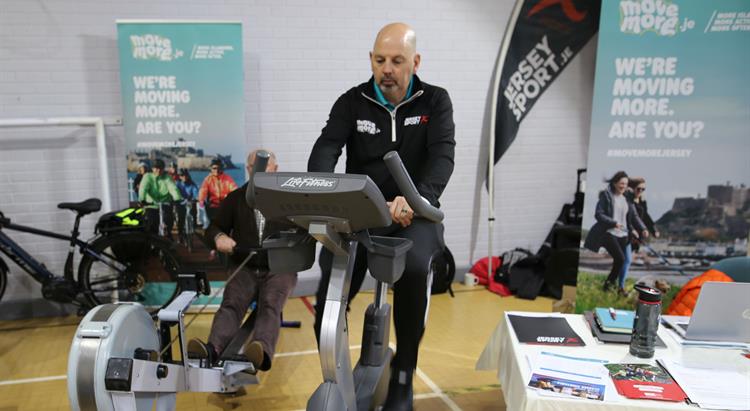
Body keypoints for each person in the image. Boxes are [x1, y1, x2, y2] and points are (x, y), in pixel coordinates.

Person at [307, 22, 455, 410]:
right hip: (362, 213)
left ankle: (404, 377)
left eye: (397, 60)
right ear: (371, 61)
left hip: (416, 212)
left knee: (417, 269)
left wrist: (419, 197)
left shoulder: (434, 101)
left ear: (415, 61)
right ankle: (334, 374)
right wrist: (321, 191)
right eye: (379, 60)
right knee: (330, 288)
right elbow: (326, 148)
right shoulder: (352, 102)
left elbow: (442, 157)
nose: (386, 68)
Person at [188, 150, 297, 373]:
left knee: (270, 305)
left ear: (275, 170)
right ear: (248, 170)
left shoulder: (290, 200)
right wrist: (219, 237)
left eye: (267, 167)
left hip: (279, 267)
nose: (261, 171)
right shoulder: (236, 198)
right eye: (255, 166)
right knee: (231, 304)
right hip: (245, 266)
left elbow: (307, 228)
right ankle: (212, 349)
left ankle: (260, 352)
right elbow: (213, 228)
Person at [584, 171, 647, 292]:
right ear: (614, 183)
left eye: (626, 184)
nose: (623, 186)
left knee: (623, 260)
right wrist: (613, 223)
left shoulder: (627, 199)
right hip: (609, 233)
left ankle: (617, 287)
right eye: (621, 183)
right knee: (621, 259)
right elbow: (599, 214)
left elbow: (634, 216)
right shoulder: (607, 196)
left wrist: (642, 228)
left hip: (624, 234)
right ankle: (608, 286)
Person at [618, 177, 660, 293]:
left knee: (624, 260)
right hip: (626, 234)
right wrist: (632, 231)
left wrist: (653, 230)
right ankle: (619, 286)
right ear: (631, 188)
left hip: (636, 236)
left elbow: (646, 217)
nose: (641, 191)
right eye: (639, 188)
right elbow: (627, 218)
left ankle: (617, 284)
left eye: (643, 189)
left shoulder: (641, 201)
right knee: (625, 260)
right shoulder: (626, 200)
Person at [138, 158, 182, 237]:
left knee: (169, 220)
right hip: (151, 204)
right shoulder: (147, 177)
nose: (158, 170)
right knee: (151, 224)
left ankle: (168, 234)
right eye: (156, 168)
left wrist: (177, 199)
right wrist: (142, 199)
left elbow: (173, 188)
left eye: (160, 168)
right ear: (152, 168)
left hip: (165, 203)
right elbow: (143, 189)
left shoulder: (167, 177)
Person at [198, 158, 238, 224]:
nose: (216, 170)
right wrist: (201, 200)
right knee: (213, 225)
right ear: (211, 169)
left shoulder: (227, 178)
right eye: (214, 168)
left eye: (218, 168)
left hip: (225, 206)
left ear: (221, 168)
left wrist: (236, 198)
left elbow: (234, 189)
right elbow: (203, 190)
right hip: (212, 206)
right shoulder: (208, 179)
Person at [176, 168, 199, 240]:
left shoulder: (192, 184)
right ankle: (180, 235)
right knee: (181, 218)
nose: (184, 177)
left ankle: (193, 229)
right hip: (181, 204)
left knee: (194, 215)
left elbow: (196, 192)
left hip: (190, 203)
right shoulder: (177, 184)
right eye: (182, 175)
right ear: (179, 176)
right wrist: (178, 199)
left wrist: (197, 198)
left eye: (186, 175)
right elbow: (175, 192)